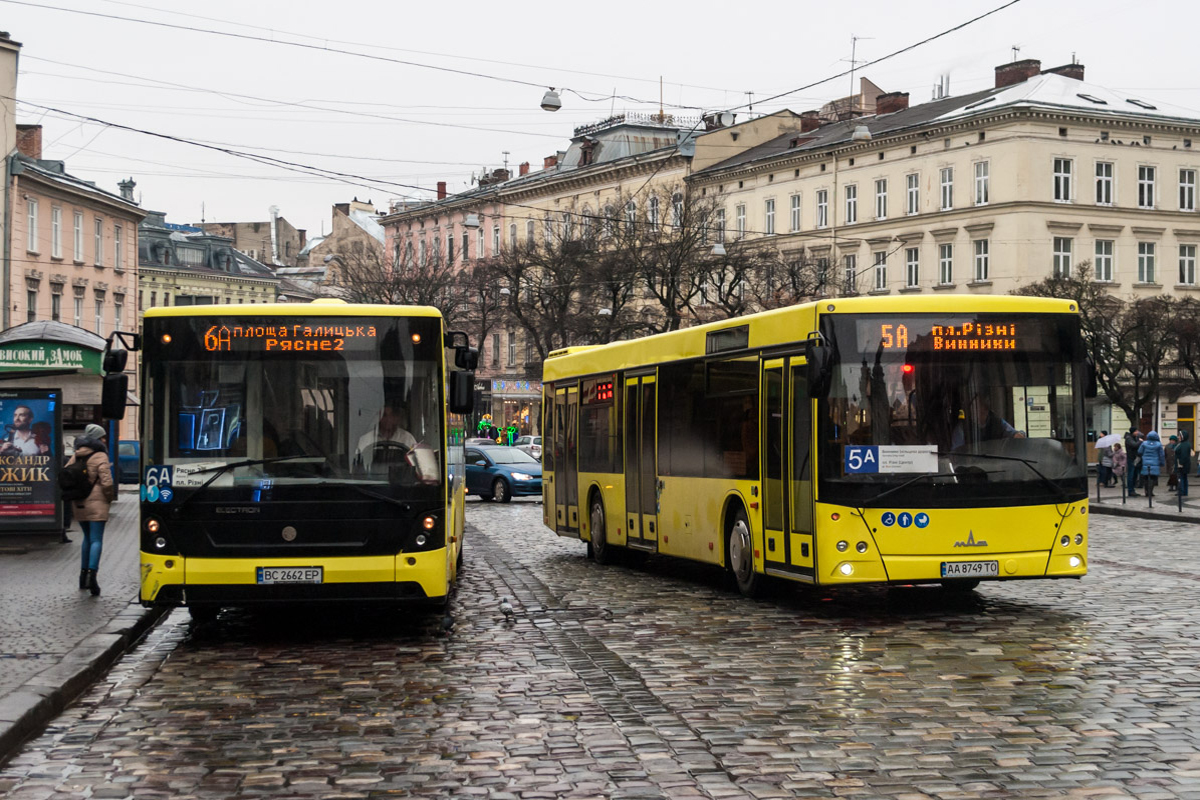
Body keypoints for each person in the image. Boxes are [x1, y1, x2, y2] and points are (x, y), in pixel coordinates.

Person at [67, 424, 115, 596]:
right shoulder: (100, 455)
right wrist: (109, 498)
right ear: (97, 438)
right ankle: (92, 578)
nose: (104, 439)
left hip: (79, 502)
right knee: (96, 540)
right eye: (102, 437)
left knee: (86, 539)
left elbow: (67, 474)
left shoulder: (76, 455)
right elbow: (107, 482)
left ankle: (82, 577)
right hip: (97, 503)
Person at [951, 393, 1024, 450]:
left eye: (980, 407)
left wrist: (1018, 435)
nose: (976, 411)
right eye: (973, 407)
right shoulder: (962, 428)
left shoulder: (997, 422)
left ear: (986, 410)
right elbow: (957, 453)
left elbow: (1014, 433)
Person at [355, 407, 416, 471]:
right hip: (372, 478)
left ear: (397, 418)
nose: (388, 419)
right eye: (384, 415)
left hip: (401, 479)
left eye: (392, 415)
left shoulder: (408, 438)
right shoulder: (365, 439)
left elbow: (417, 463)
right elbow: (358, 465)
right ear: (378, 418)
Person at [1138, 430, 1165, 501]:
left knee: (1146, 478)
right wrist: (1162, 463)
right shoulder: (1158, 444)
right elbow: (1161, 455)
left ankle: (1146, 491)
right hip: (1155, 464)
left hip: (1145, 463)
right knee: (1153, 478)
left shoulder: (1144, 443)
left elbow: (1139, 451)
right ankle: (1150, 491)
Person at [1125, 428, 1144, 496]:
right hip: (1131, 458)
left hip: (1135, 458)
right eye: (1136, 431)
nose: (1137, 432)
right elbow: (1134, 445)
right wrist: (1140, 441)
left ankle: (1133, 490)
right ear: (1133, 432)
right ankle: (1130, 490)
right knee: (1131, 474)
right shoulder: (1129, 438)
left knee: (1135, 474)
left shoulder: (1134, 437)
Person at [1174, 431, 1191, 497]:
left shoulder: (1184, 445)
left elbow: (1184, 455)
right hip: (1184, 464)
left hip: (1181, 465)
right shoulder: (1184, 443)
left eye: (1180, 436)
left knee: (1181, 478)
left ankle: (1181, 491)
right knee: (1184, 477)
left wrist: (1181, 464)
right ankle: (1184, 491)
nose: (1178, 437)